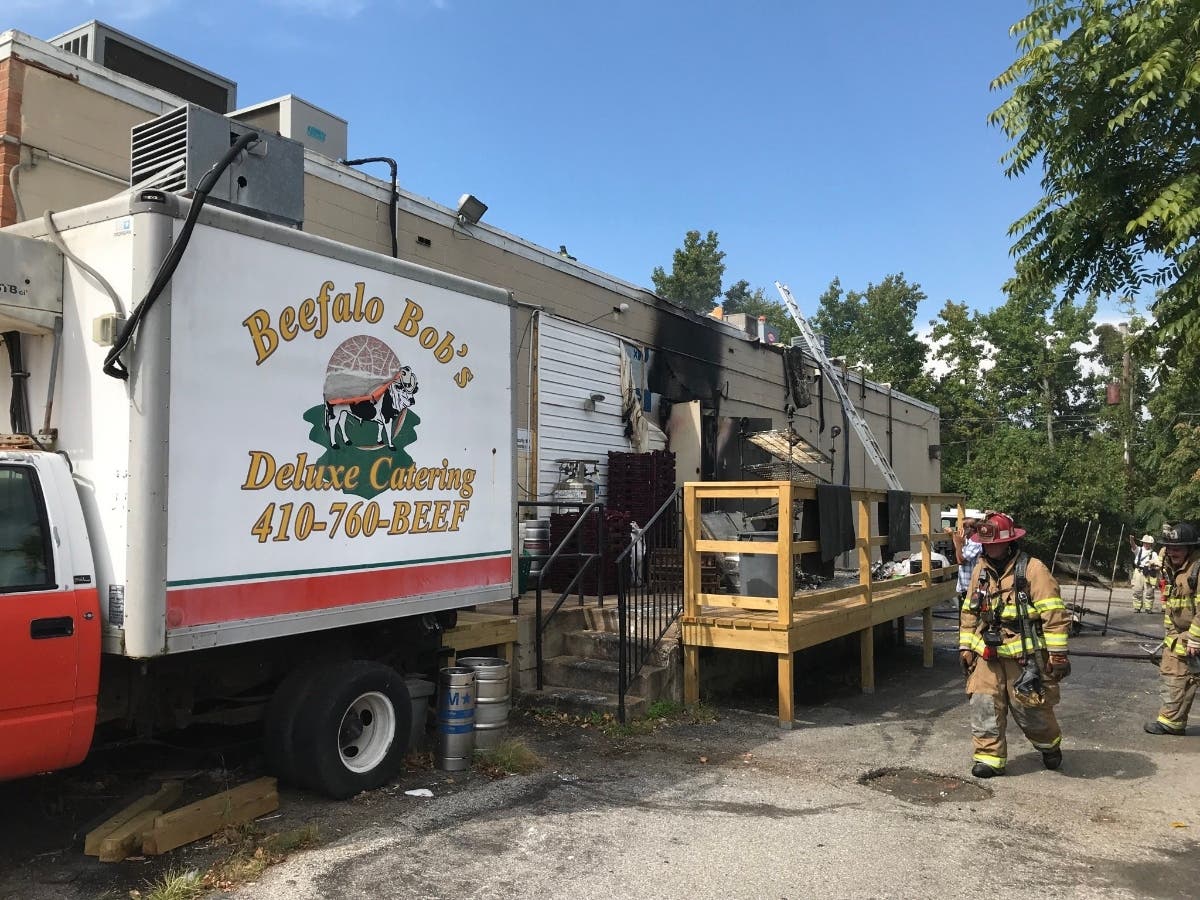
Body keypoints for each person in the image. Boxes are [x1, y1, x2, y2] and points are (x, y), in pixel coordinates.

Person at [959, 512, 1070, 777]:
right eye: (986, 544)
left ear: (1009, 542)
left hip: (1025, 656)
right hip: (988, 653)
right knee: (983, 703)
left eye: (994, 543)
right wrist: (965, 646)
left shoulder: (1033, 570)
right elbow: (969, 611)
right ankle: (989, 758)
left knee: (1030, 711)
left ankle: (1049, 745)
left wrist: (1057, 655)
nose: (990, 548)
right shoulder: (981, 569)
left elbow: (1054, 615)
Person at [1144, 522, 1200, 736]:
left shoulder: (1197, 569)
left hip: (1195, 634)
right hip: (1181, 635)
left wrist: (1195, 638)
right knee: (1173, 673)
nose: (1173, 551)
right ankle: (1171, 721)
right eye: (1170, 547)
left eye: (1179, 547)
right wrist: (1172, 635)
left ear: (1190, 548)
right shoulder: (1171, 569)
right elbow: (1173, 604)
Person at [948, 508, 985, 607]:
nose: (961, 529)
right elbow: (959, 553)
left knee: (970, 616)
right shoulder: (967, 541)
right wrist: (955, 538)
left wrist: (958, 542)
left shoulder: (976, 542)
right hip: (965, 587)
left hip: (971, 587)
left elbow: (960, 560)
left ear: (971, 529)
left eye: (964, 526)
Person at [1129, 533, 1162, 613]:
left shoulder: (1153, 553)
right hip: (1138, 571)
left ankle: (1148, 608)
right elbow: (1133, 546)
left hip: (1149, 572)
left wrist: (1152, 564)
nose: (1147, 544)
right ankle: (1137, 607)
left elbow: (1158, 563)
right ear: (1143, 543)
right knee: (1137, 590)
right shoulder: (1139, 550)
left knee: (1149, 591)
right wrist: (1132, 540)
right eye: (1145, 543)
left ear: (1151, 544)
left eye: (1148, 543)